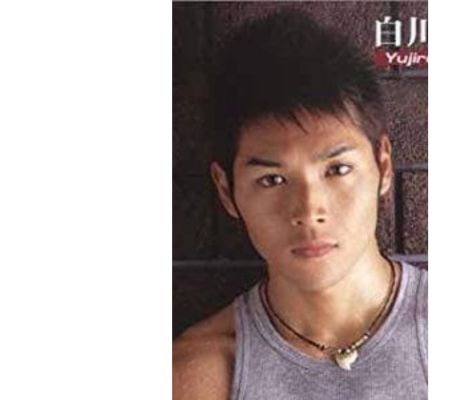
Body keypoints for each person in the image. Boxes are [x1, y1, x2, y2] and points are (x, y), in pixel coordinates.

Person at [173, 9, 427, 400]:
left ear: (383, 166)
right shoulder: (197, 375)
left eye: (337, 170)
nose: (309, 211)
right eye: (272, 180)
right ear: (226, 191)